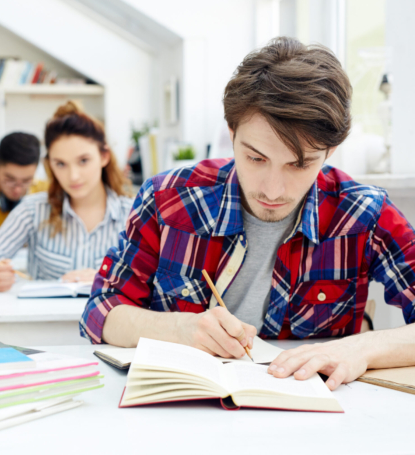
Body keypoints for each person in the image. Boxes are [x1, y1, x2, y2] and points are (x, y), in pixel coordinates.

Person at [80, 37, 415, 391]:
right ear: (231, 133)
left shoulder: (364, 213)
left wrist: (359, 347)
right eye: (256, 158)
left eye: (299, 165)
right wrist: (180, 329)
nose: (273, 190)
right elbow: (101, 311)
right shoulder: (168, 199)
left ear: (330, 152)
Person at [0, 101, 133, 291]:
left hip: (107, 320)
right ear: (49, 164)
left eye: (83, 161)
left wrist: (109, 279)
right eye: (60, 164)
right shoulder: (33, 209)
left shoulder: (133, 216)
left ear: (104, 157)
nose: (73, 176)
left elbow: (157, 284)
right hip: (44, 319)